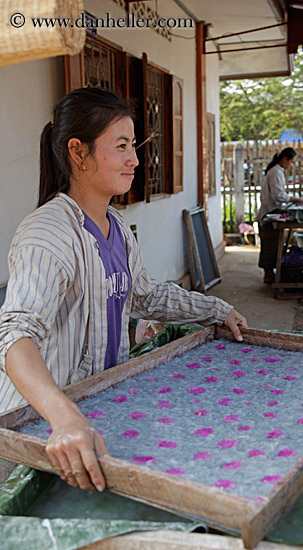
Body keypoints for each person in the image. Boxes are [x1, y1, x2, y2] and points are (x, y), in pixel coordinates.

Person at [0, 88, 248, 492]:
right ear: (78, 153)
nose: (134, 159)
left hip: (93, 413)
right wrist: (63, 417)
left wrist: (217, 310)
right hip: (41, 430)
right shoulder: (48, 234)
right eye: (120, 146)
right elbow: (14, 333)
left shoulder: (115, 227)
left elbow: (147, 295)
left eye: (133, 145)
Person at [256, 147, 303, 283]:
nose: (291, 165)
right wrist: (293, 199)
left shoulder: (276, 171)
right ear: (285, 159)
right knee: (269, 247)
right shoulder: (275, 172)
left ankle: (271, 274)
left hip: (271, 212)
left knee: (273, 245)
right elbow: (278, 195)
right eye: (291, 161)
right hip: (269, 214)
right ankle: (268, 275)